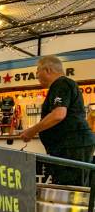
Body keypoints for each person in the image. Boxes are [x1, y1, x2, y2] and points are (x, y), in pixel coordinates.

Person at [22, 55, 94, 186]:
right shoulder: (61, 85)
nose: (36, 75)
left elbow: (58, 114)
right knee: (70, 185)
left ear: (48, 70)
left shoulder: (61, 83)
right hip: (69, 146)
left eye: (38, 70)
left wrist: (31, 131)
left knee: (71, 187)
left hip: (72, 146)